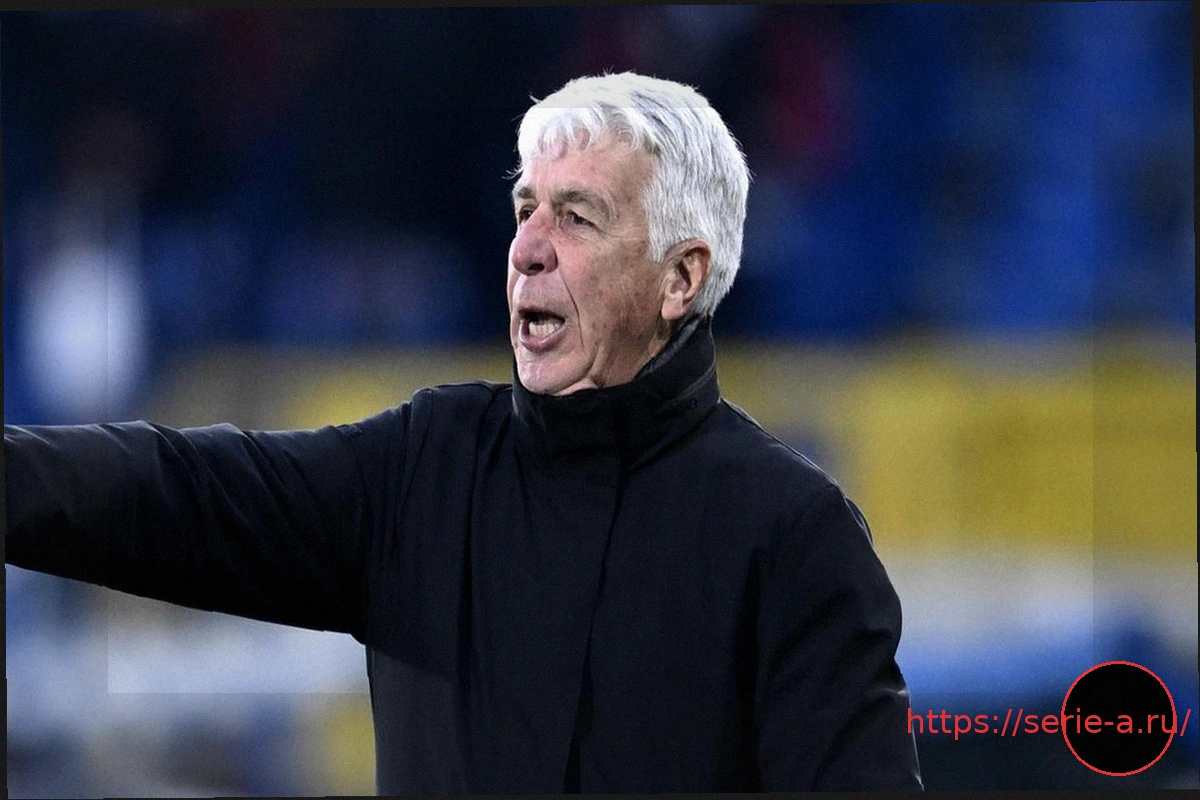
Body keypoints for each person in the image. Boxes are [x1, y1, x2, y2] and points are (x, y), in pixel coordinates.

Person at [5, 72, 922, 793]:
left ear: (680, 278)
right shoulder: (425, 467)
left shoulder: (792, 536)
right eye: (526, 210)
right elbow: (182, 491)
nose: (527, 248)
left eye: (577, 217)